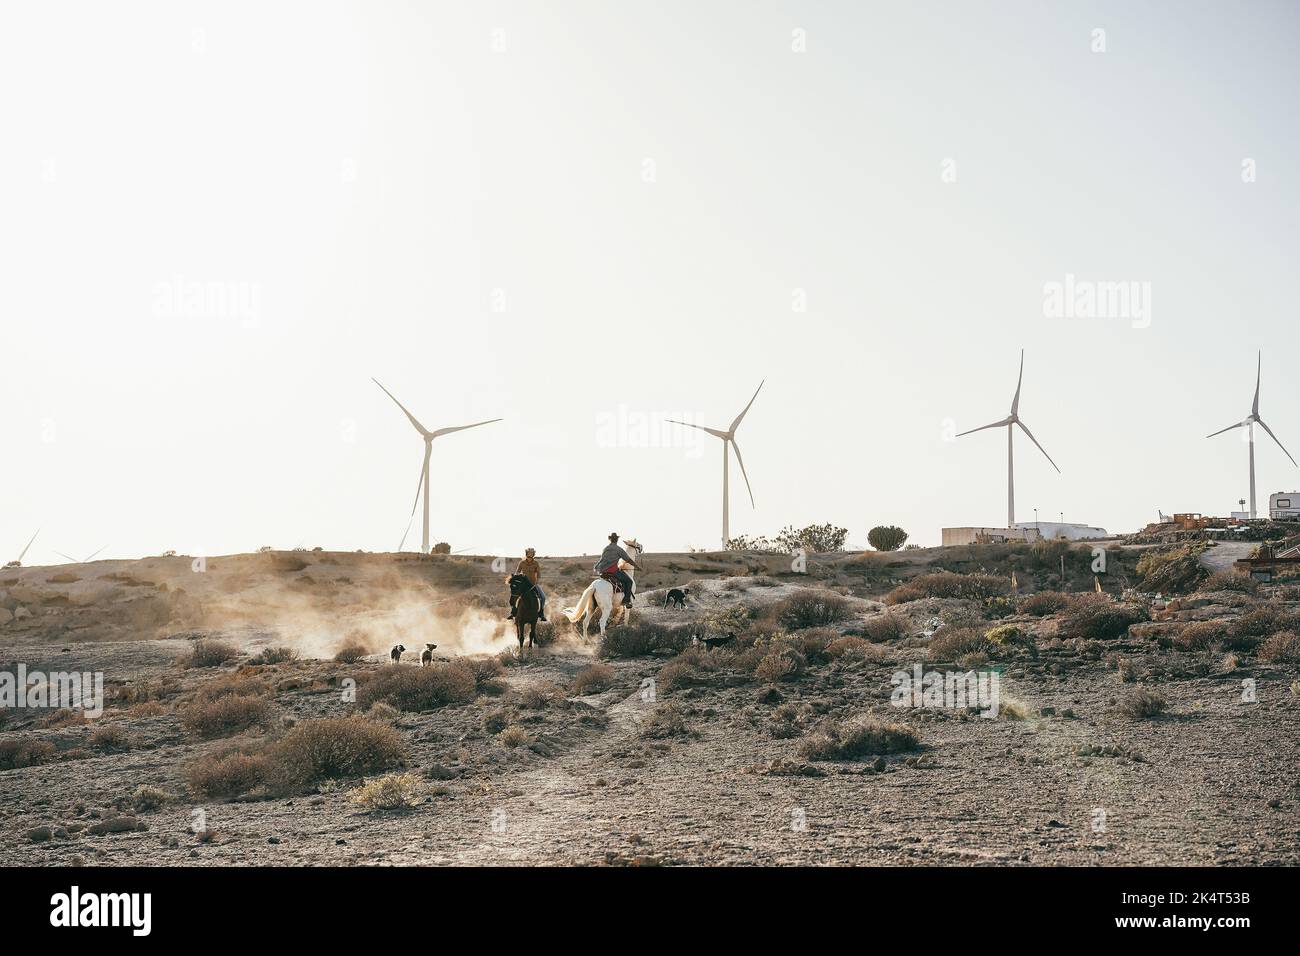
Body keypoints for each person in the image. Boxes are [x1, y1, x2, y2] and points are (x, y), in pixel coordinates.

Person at [594, 532, 640, 608]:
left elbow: (601, 559)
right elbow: (628, 560)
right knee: (629, 581)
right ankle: (627, 600)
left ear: (610, 539)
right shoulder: (619, 549)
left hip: (602, 571)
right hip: (612, 571)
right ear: (617, 540)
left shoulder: (605, 548)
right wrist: (637, 567)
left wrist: (596, 567)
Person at [508, 547, 546, 621]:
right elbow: (517, 572)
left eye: (531, 553)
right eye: (529, 553)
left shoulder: (536, 563)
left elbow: (538, 574)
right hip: (523, 585)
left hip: (533, 584)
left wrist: (537, 582)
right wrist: (516, 579)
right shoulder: (522, 563)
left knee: (543, 597)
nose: (530, 555)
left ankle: (541, 613)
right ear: (526, 554)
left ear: (533, 554)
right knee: (514, 595)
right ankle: (513, 612)